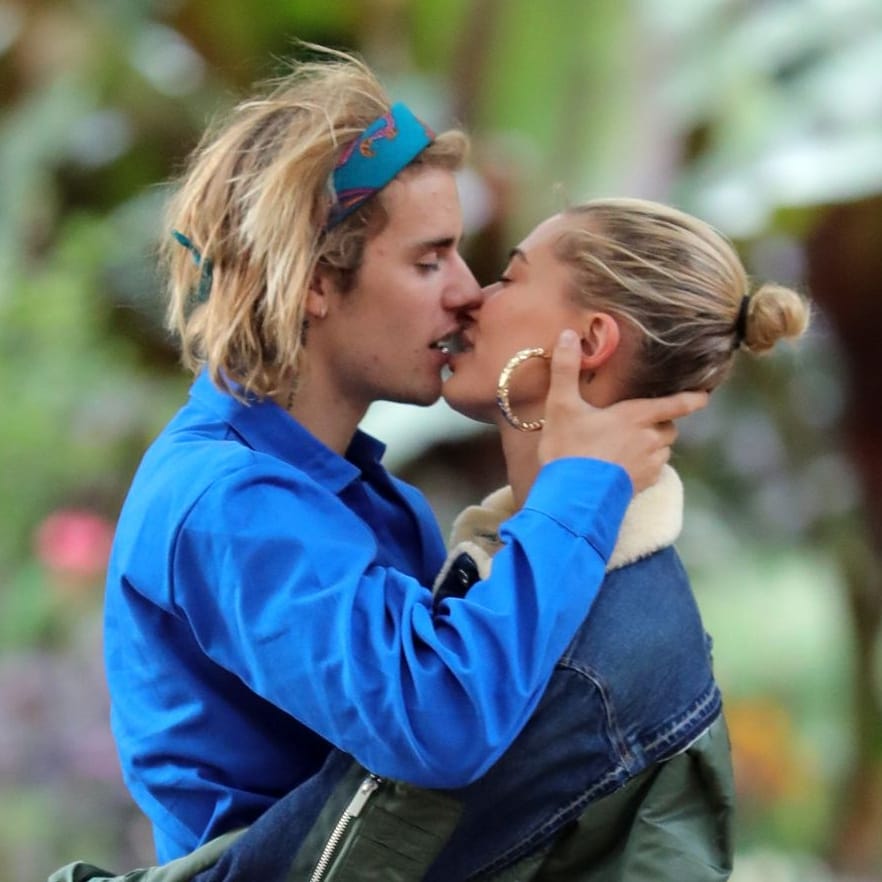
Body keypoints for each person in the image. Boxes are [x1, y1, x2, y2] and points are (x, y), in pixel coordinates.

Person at [52, 195, 807, 882]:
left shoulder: (596, 649)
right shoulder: (511, 566)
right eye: (430, 260)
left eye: (508, 276)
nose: (471, 294)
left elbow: (352, 856)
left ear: (588, 341)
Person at [97, 45, 704, 870]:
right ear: (314, 281)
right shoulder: (226, 502)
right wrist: (580, 486)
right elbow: (440, 722)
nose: (467, 290)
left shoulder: (377, 504)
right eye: (429, 260)